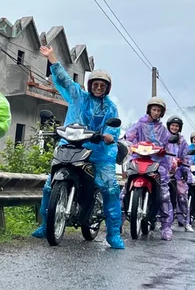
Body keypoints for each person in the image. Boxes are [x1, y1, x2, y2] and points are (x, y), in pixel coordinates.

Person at [31, 46, 125, 249]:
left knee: (110, 188)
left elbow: (112, 128)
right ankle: (46, 223)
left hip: (99, 152)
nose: (98, 87)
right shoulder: (78, 96)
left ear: (107, 88)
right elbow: (64, 80)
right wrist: (52, 58)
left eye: (102, 85)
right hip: (71, 146)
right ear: (90, 84)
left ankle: (114, 234)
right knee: (49, 185)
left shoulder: (110, 107)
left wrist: (109, 136)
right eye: (95, 84)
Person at [124, 98, 175, 240]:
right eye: (154, 109)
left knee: (164, 194)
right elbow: (129, 136)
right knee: (124, 191)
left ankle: (166, 227)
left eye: (159, 110)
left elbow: (168, 146)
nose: (156, 112)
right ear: (149, 110)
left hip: (158, 164)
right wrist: (128, 144)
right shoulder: (139, 124)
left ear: (162, 113)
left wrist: (168, 158)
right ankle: (117, 222)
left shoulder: (164, 130)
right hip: (138, 159)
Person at [165, 116, 194, 232]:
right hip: (162, 171)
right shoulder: (162, 136)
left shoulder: (182, 141)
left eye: (176, 126)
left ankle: (186, 222)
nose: (174, 127)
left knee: (182, 196)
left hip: (177, 172)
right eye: (172, 125)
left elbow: (186, 157)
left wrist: (186, 171)